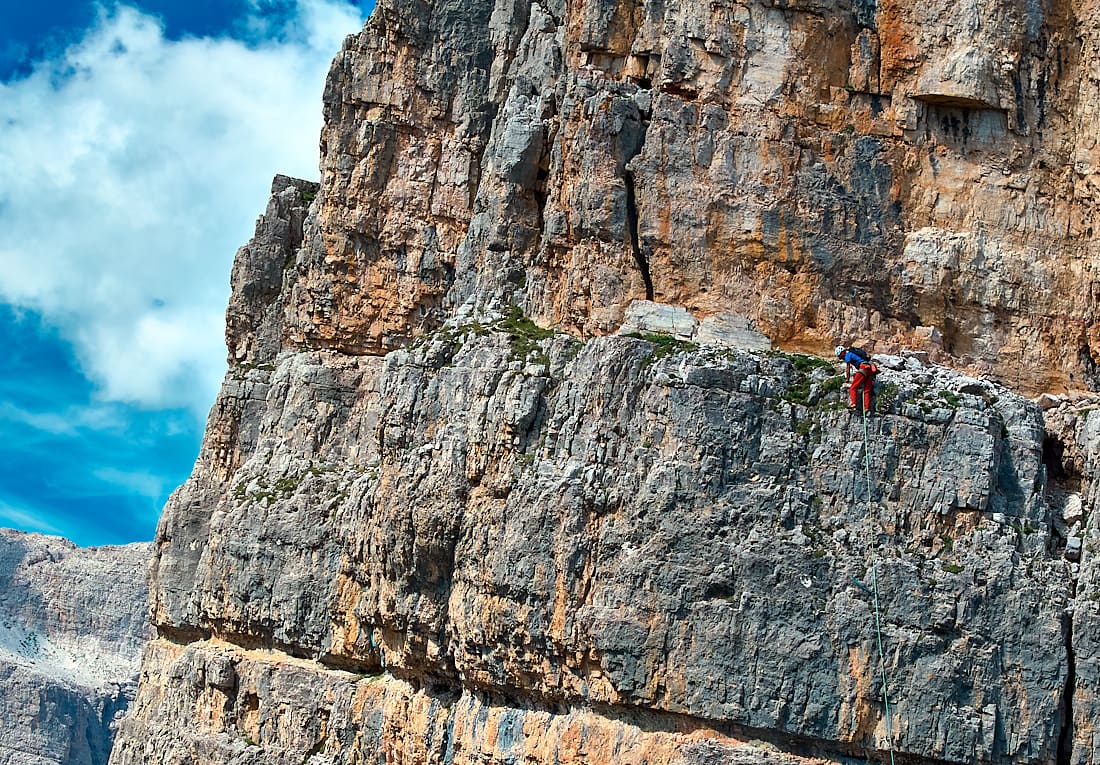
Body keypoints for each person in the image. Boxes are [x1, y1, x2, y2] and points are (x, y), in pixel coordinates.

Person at [834, 345, 878, 413]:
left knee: (853, 388)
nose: (841, 358)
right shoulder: (852, 354)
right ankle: (866, 408)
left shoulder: (848, 354)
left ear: (842, 352)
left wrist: (847, 379)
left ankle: (854, 403)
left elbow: (848, 367)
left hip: (863, 368)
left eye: (840, 356)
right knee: (866, 390)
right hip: (869, 371)